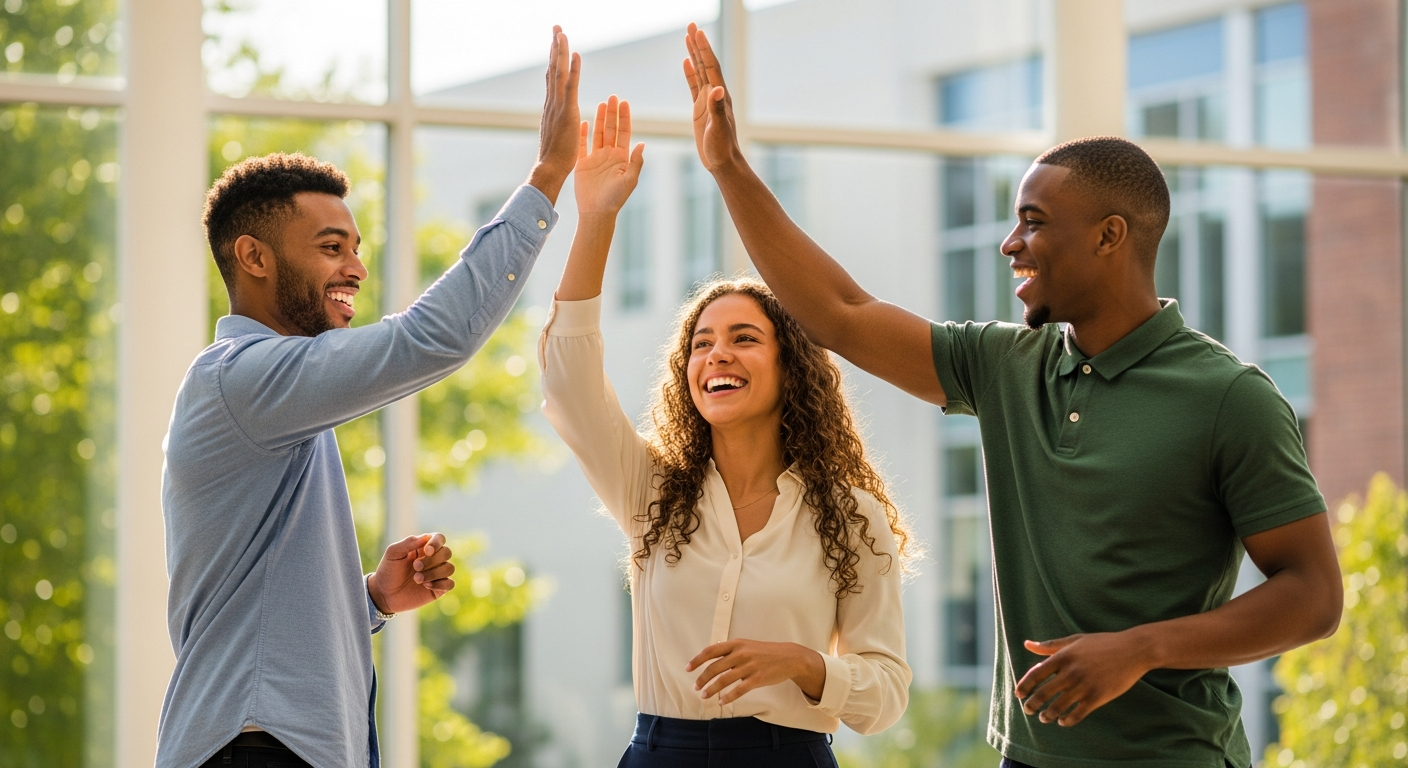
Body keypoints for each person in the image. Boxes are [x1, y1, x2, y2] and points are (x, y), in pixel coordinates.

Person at [678, 23, 1343, 768]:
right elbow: (839, 313)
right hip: (1024, 757)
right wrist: (729, 167)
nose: (1009, 243)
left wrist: (1140, 649)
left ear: (1108, 237)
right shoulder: (1003, 363)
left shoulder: (1229, 398)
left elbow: (1313, 594)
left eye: (1033, 221)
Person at [155, 27, 581, 768]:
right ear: (253, 257)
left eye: (355, 246)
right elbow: (430, 339)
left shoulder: (275, 399)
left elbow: (250, 610)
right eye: (330, 247)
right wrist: (546, 178)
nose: (355, 266)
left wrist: (370, 601)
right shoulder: (243, 379)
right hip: (255, 749)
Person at [538, 95, 914, 768]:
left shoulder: (851, 517)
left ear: (791, 368)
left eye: (744, 338)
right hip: (661, 752)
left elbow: (886, 696)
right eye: (702, 344)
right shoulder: (651, 493)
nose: (717, 355)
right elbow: (568, 383)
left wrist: (805, 665)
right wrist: (595, 216)